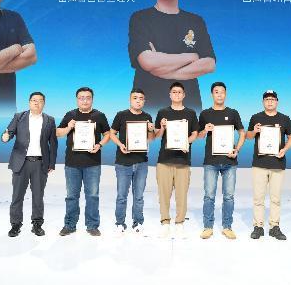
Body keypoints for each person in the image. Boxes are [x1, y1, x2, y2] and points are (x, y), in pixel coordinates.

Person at [128, 0, 216, 115]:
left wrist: (165, 69)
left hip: (189, 107)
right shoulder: (140, 18)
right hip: (149, 106)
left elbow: (209, 64)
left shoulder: (196, 21)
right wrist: (192, 56)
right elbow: (148, 61)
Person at [1, 91, 58, 237]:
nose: (37, 103)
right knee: (17, 195)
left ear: (44, 103)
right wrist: (5, 137)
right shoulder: (19, 117)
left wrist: (51, 163)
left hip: (40, 163)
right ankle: (15, 225)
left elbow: (53, 143)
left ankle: (37, 224)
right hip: (21, 162)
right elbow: (9, 132)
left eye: (40, 100)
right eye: (34, 100)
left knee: (38, 196)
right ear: (29, 102)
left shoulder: (50, 120)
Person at [57, 87, 110, 236]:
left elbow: (107, 134)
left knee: (92, 196)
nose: (85, 101)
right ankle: (69, 225)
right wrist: (69, 127)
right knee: (71, 196)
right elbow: (58, 133)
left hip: (92, 163)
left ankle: (92, 225)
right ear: (77, 100)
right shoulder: (70, 115)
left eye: (88, 98)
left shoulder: (99, 115)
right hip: (72, 163)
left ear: (92, 99)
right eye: (81, 98)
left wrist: (99, 145)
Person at [198, 82, 245, 239]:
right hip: (211, 161)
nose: (219, 94)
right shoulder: (205, 114)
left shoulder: (233, 113)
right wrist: (205, 130)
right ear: (212, 94)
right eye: (216, 92)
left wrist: (237, 149)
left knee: (228, 196)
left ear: (226, 94)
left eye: (222, 92)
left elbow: (242, 132)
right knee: (209, 195)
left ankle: (227, 226)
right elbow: (199, 136)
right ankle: (207, 227)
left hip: (229, 162)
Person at [246, 90, 291, 241]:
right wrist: (254, 131)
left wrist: (285, 149)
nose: (270, 102)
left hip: (277, 163)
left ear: (277, 101)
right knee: (258, 198)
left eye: (272, 99)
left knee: (276, 198)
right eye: (267, 99)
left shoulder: (284, 119)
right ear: (263, 102)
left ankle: (274, 227)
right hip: (259, 164)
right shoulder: (256, 117)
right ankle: (258, 227)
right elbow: (248, 136)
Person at [153, 81, 199, 238]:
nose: (177, 94)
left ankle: (180, 223)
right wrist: (162, 127)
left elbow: (194, 134)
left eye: (179, 92)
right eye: (174, 92)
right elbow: (156, 135)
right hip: (164, 160)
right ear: (170, 94)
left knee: (182, 194)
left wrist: (186, 142)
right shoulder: (162, 112)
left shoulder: (191, 113)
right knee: (164, 194)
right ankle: (165, 222)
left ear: (184, 95)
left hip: (183, 160)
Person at [108, 88, 156, 234]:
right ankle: (120, 223)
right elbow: (112, 133)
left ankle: (138, 222)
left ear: (144, 101)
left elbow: (151, 139)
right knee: (122, 196)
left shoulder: (147, 116)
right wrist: (120, 145)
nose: (138, 101)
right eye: (135, 98)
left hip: (141, 162)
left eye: (141, 98)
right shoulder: (121, 115)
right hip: (123, 162)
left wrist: (151, 130)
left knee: (139, 196)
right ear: (130, 99)